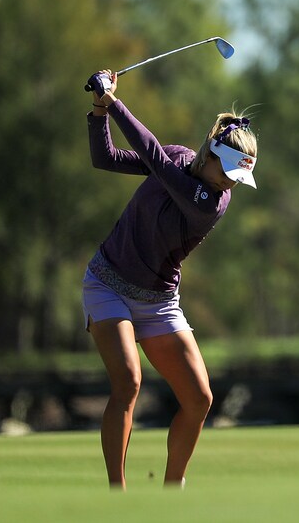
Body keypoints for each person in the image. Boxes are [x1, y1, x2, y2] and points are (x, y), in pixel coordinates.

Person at [81, 69, 258, 490]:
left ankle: (170, 492)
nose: (230, 181)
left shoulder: (211, 202)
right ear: (210, 153)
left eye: (238, 176)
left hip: (158, 301)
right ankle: (116, 495)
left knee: (199, 399)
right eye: (227, 170)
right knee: (128, 381)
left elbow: (156, 161)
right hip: (108, 282)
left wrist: (115, 102)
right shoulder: (179, 158)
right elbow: (104, 158)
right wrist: (98, 112)